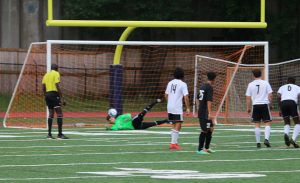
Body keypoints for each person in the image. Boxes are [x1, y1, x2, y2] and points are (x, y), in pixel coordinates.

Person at [246, 69, 273, 148]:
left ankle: (258, 142)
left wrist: (248, 107)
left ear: (253, 75)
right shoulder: (265, 83)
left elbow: (247, 97)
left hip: (255, 105)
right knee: (267, 123)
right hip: (264, 104)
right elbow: (270, 94)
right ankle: (266, 139)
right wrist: (270, 104)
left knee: (257, 124)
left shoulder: (250, 84)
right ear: (261, 74)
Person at [165, 67, 190, 150]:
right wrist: (188, 108)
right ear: (182, 75)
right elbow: (186, 97)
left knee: (174, 124)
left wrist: (169, 102)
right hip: (177, 107)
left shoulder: (170, 83)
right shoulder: (183, 84)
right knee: (178, 124)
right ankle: (173, 144)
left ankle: (174, 142)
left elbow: (166, 95)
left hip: (170, 106)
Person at [106, 99, 171, 130]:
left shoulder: (119, 117)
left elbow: (129, 116)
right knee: (153, 124)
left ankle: (154, 102)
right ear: (110, 121)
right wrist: (108, 127)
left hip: (133, 122)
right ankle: (165, 120)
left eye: (111, 117)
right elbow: (111, 129)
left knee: (142, 114)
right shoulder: (115, 126)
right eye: (110, 119)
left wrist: (129, 119)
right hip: (137, 128)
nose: (111, 119)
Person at [42, 64, 68, 139]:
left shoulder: (46, 75)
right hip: (54, 94)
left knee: (51, 114)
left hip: (47, 95)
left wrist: (45, 95)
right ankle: (60, 134)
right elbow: (57, 84)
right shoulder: (56, 73)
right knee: (59, 113)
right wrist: (62, 97)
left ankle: (49, 134)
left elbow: (43, 86)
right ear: (57, 68)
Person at [196, 72, 217, 155]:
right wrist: (209, 113)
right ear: (214, 79)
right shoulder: (209, 87)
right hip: (205, 112)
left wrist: (198, 107)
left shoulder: (203, 86)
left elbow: (197, 98)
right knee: (204, 130)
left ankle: (207, 148)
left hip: (202, 111)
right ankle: (200, 149)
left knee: (211, 128)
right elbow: (209, 101)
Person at [277, 77, 300, 148]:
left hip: (283, 103)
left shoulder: (282, 87)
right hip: (292, 103)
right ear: (294, 82)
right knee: (298, 123)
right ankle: (293, 139)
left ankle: (286, 133)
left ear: (287, 82)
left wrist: (280, 108)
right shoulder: (297, 87)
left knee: (286, 122)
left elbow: (278, 96)